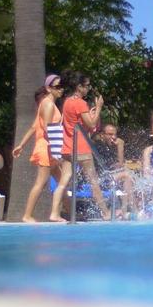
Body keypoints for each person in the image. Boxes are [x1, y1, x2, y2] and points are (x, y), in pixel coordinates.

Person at [49, 71, 112, 222]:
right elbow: (90, 126)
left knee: (63, 181)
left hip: (68, 147)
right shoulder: (80, 103)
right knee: (93, 181)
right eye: (87, 86)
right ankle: (106, 212)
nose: (88, 89)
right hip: (82, 148)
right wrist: (98, 108)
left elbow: (77, 123)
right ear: (79, 87)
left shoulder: (67, 102)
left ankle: (54, 213)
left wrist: (89, 114)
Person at [12, 75, 65, 222]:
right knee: (41, 183)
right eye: (58, 86)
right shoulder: (48, 104)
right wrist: (57, 150)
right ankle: (27, 215)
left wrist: (21, 145)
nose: (61, 89)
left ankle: (63, 212)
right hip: (47, 148)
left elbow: (34, 127)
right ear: (49, 88)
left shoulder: (47, 103)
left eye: (62, 86)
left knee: (63, 182)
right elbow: (48, 129)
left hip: (49, 148)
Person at [93, 123, 137, 215]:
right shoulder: (99, 146)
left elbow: (117, 165)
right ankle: (131, 210)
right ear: (102, 135)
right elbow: (119, 165)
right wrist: (120, 146)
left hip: (107, 177)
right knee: (127, 174)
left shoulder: (108, 147)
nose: (113, 137)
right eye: (109, 134)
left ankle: (127, 210)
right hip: (99, 180)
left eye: (114, 134)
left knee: (128, 176)